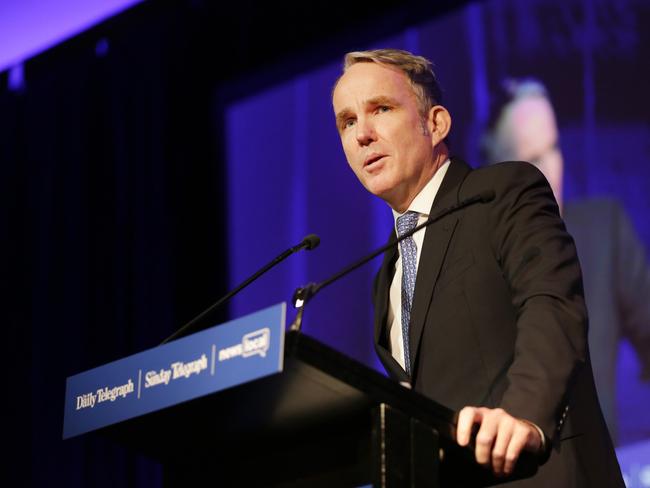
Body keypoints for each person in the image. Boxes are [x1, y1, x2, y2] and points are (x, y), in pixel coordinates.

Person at [331, 48, 624, 486]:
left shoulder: (501, 193)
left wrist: (524, 415)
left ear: (436, 124)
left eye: (382, 109)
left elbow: (551, 303)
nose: (362, 134)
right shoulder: (386, 277)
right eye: (348, 122)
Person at [481, 78, 650, 444]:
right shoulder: (473, 260)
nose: (548, 170)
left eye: (553, 148)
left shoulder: (603, 230)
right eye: (531, 159)